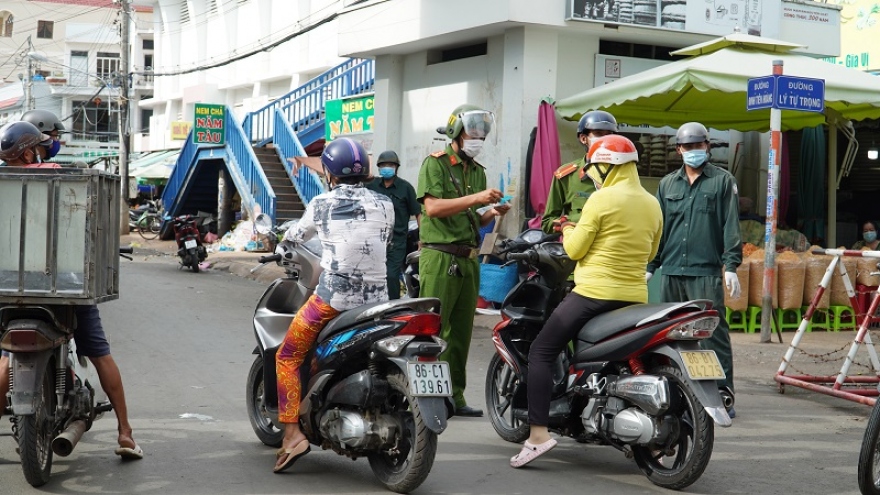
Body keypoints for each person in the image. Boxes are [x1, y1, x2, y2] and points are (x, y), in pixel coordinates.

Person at [510, 135, 663, 468]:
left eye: (595, 167)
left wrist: (567, 228)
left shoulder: (601, 199)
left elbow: (575, 250)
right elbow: (651, 252)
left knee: (541, 350)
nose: (592, 173)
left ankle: (537, 435)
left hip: (594, 294)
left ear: (607, 166)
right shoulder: (652, 202)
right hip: (635, 296)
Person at [0, 120, 143, 459]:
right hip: (63, 286)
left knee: (6, 359)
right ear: (28, 151)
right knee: (100, 353)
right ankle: (125, 432)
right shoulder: (61, 175)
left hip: (8, 287)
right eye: (38, 148)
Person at [274, 137, 394, 473]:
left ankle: (292, 433)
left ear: (329, 172)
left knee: (288, 355)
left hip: (333, 301)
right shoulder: (386, 204)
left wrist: (283, 242)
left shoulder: (321, 204)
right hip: (378, 302)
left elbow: (297, 235)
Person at [417, 104, 510, 418]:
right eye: (473, 131)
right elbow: (432, 208)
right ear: (456, 132)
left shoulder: (478, 171)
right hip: (440, 257)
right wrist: (477, 199)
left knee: (460, 334)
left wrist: (492, 213)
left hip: (469, 260)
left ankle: (454, 397)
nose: (478, 138)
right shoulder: (436, 164)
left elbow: (474, 219)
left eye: (483, 133)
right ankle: (425, 397)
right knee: (433, 330)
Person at [646, 122, 742, 417]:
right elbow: (660, 228)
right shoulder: (667, 184)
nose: (693, 151)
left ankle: (723, 393)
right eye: (687, 147)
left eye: (698, 146)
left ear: (707, 147)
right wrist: (652, 265)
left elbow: (730, 225)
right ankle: (677, 393)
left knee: (713, 334)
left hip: (706, 272)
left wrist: (731, 265)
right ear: (679, 150)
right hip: (672, 271)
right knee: (671, 334)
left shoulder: (723, 182)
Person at [540, 110, 617, 235]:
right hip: (578, 248)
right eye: (598, 134)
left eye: (609, 135)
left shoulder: (621, 172)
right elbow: (547, 223)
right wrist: (568, 224)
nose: (605, 140)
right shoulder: (566, 176)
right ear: (583, 138)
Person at [365, 150, 421, 299]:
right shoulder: (371, 185)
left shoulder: (405, 188)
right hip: (374, 240)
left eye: (390, 165)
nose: (386, 167)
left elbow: (418, 213)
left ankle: (393, 307)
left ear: (396, 167)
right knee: (372, 277)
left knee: (391, 276)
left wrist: (422, 239)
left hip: (396, 242)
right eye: (383, 165)